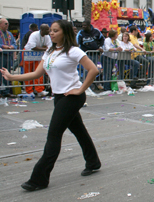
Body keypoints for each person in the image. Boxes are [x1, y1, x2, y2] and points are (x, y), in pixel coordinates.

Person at [0, 20, 101, 191]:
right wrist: (11, 78)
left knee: (53, 135)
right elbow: (36, 73)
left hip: (72, 97)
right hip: (59, 97)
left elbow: (93, 70)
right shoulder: (50, 51)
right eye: (50, 31)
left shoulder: (73, 51)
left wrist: (81, 89)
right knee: (79, 130)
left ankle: (39, 178)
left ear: (65, 32)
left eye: (55, 31)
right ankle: (93, 162)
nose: (51, 33)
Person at [23, 24, 52, 97]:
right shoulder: (34, 34)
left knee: (39, 72)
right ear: (42, 30)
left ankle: (39, 90)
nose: (49, 31)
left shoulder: (47, 36)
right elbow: (33, 47)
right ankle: (29, 91)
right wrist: (45, 48)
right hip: (29, 54)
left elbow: (50, 46)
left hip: (38, 55)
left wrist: (45, 48)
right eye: (47, 29)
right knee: (29, 72)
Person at [0, 18, 17, 97]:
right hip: (1, 55)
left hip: (8, 55)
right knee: (1, 73)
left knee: (7, 73)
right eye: (5, 23)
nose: (7, 25)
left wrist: (12, 46)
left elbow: (14, 43)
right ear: (0, 24)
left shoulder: (9, 34)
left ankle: (6, 91)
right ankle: (1, 91)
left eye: (8, 24)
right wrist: (3, 46)